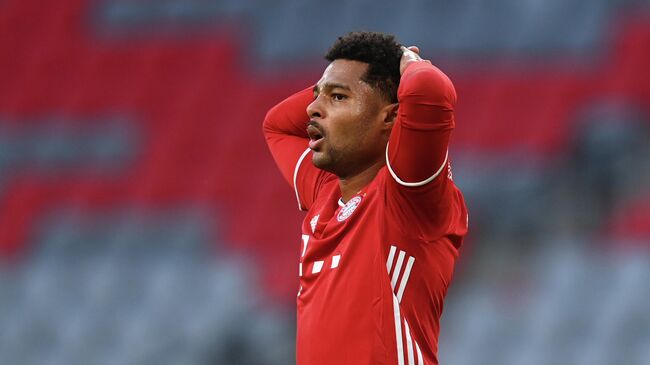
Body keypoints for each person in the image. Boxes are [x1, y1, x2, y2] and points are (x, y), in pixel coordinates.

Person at [263, 31, 468, 365]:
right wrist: (336, 83)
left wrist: (406, 63)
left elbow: (430, 90)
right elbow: (277, 125)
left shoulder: (408, 194)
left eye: (338, 98)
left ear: (389, 118)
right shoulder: (324, 192)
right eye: (316, 96)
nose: (312, 109)